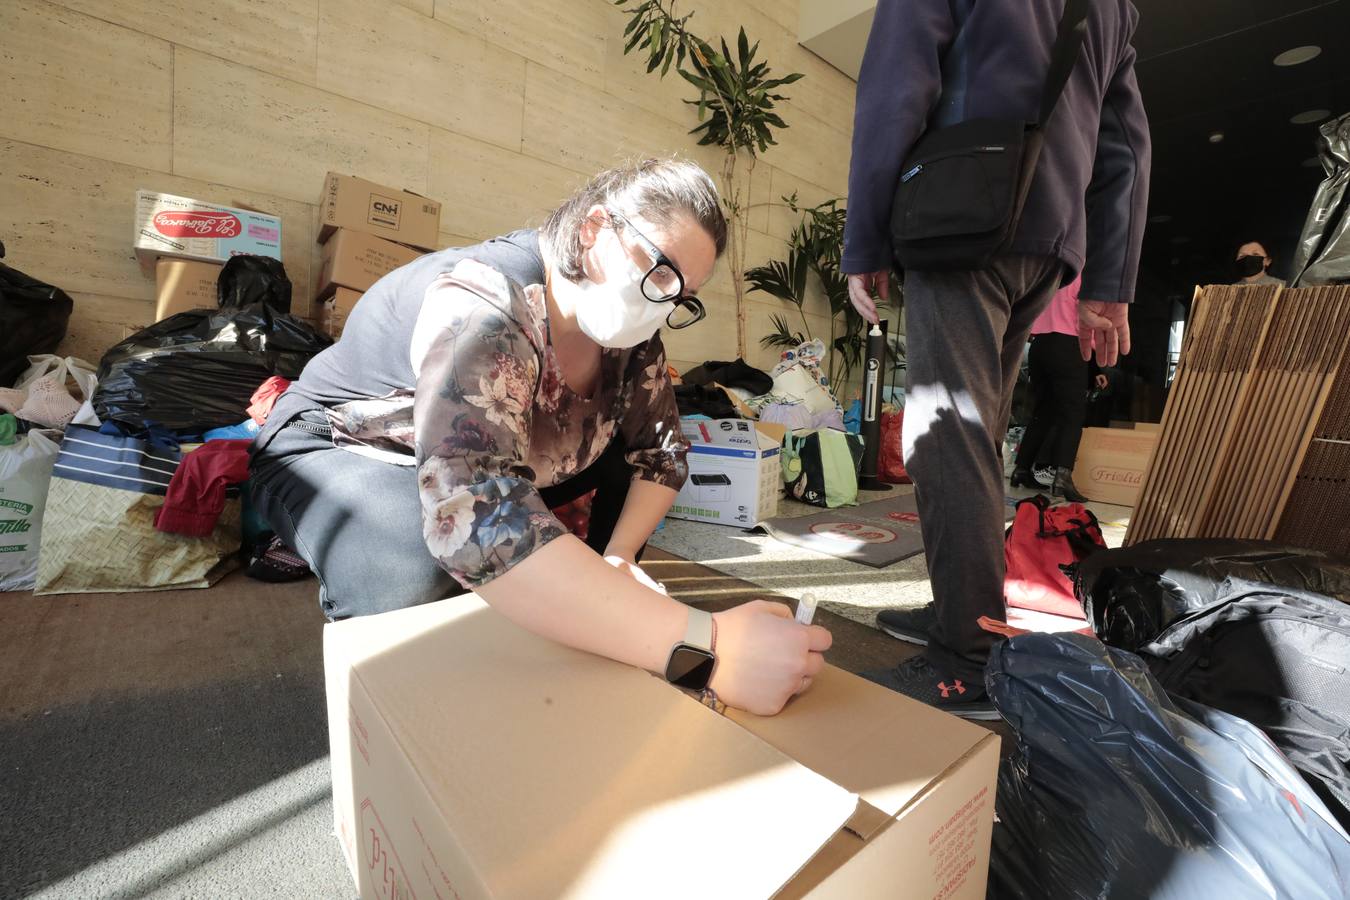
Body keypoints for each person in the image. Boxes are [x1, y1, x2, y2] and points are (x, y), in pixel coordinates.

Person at [249, 158, 831, 716]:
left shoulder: (631, 332)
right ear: (596, 229)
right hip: (350, 448)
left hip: (490, 462)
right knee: (416, 565)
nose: (663, 303)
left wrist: (619, 561)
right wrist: (708, 643)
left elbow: (662, 455)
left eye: (680, 297)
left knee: (612, 473)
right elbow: (473, 514)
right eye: (659, 271)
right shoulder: (484, 304)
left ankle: (583, 608)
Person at [842, 0, 1150, 718]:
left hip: (961, 214)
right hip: (1048, 240)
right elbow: (1125, 145)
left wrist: (865, 243)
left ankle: (967, 659)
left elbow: (894, 92)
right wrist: (1110, 284)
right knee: (973, 437)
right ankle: (962, 610)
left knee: (945, 440)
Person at [1009, 274, 1095, 502]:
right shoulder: (1085, 275)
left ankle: (1022, 469)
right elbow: (1090, 314)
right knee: (1073, 413)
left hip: (1039, 346)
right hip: (1069, 344)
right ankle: (1063, 476)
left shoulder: (1050, 275)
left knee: (1042, 412)